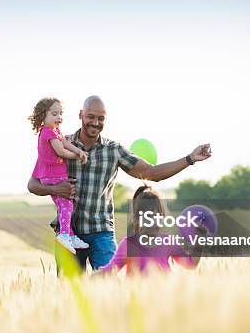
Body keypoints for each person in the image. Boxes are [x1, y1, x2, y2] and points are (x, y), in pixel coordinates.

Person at [27, 95, 212, 273]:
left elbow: (151, 173)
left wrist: (190, 158)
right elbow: (33, 184)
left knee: (111, 289)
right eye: (90, 117)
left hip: (102, 234)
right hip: (69, 234)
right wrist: (54, 189)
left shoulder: (113, 150)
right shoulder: (59, 144)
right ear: (80, 115)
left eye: (101, 118)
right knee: (69, 294)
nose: (95, 122)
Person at [96, 185, 202, 275]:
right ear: (137, 218)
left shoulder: (168, 241)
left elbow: (191, 265)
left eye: (158, 216)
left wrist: (199, 240)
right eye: (149, 216)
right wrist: (90, 278)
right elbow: (110, 271)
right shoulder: (128, 244)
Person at [28, 97, 89, 254]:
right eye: (55, 114)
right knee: (67, 204)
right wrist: (78, 156)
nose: (59, 117)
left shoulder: (55, 131)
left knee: (64, 205)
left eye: (61, 113)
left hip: (50, 175)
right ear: (43, 116)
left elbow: (66, 144)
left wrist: (79, 151)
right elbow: (61, 151)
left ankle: (70, 235)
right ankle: (63, 235)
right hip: (53, 174)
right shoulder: (48, 132)